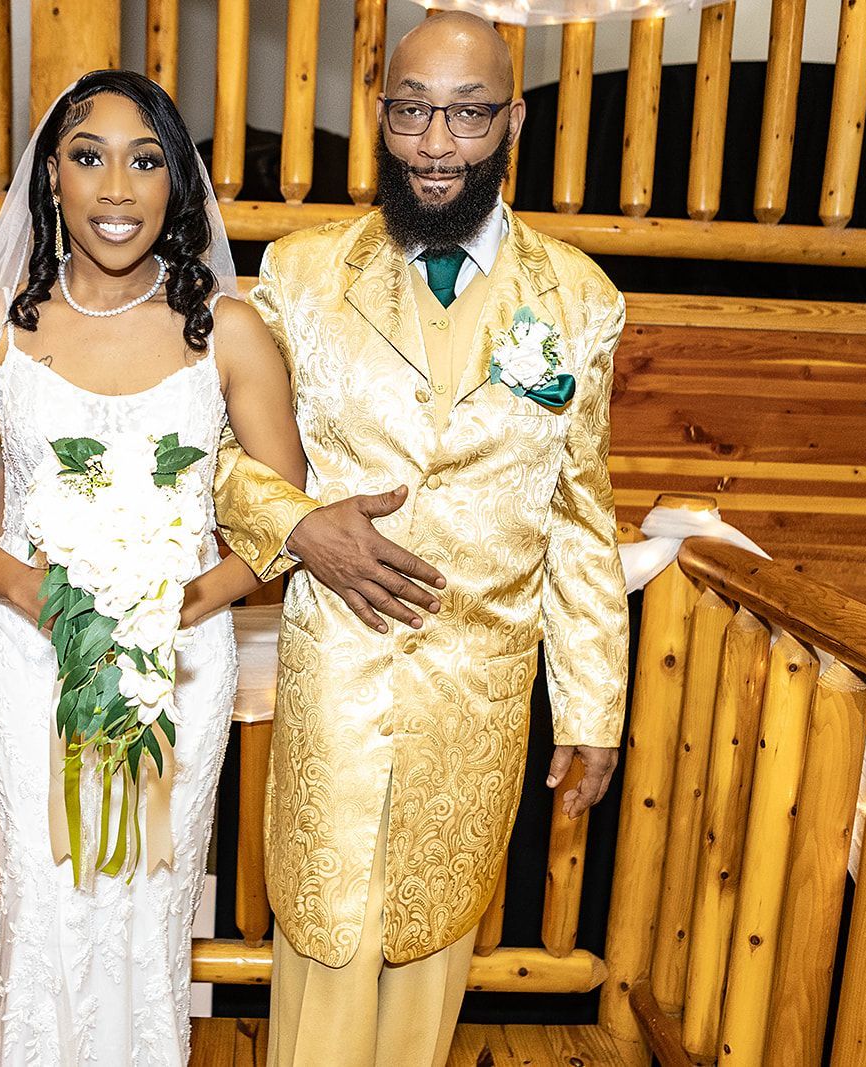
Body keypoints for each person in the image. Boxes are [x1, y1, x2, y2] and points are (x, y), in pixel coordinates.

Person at [213, 13, 631, 1065]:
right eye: (411, 112)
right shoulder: (300, 273)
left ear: (512, 122)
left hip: (475, 700)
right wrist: (300, 525)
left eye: (467, 115)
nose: (435, 144)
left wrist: (592, 706)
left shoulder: (581, 300)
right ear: (380, 112)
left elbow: (580, 512)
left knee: (427, 966)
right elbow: (214, 455)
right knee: (322, 950)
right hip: (337, 682)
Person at [0, 70, 306, 1065]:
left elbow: (282, 521)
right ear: (52, 176)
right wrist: (36, 594)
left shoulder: (229, 331)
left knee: (146, 902)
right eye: (88, 157)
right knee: (43, 895)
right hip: (33, 652)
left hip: (178, 660)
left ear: (178, 181)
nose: (117, 188)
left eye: (146, 160)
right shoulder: (0, 324)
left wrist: (183, 601)